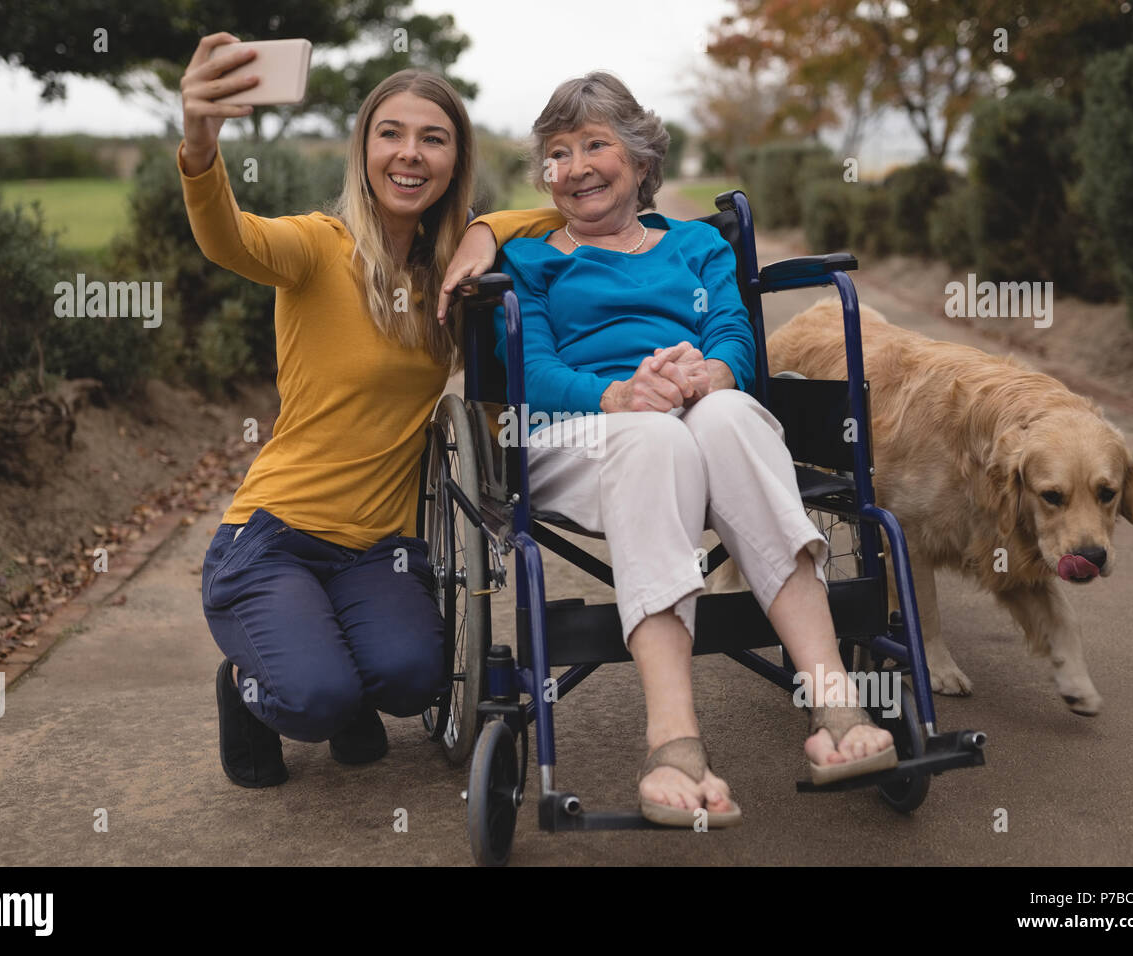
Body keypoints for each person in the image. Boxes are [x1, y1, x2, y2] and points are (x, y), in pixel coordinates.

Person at [439, 72, 896, 827]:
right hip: (578, 437)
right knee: (655, 437)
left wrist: (710, 373)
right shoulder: (528, 263)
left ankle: (836, 705)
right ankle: (673, 740)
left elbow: (731, 332)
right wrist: (617, 395)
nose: (577, 166)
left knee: (731, 417)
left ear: (643, 159)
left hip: (695, 419)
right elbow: (539, 372)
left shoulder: (694, 246)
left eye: (596, 144)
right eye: (559, 153)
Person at [179, 33, 557, 787]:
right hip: (276, 536)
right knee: (316, 701)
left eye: (433, 139)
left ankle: (333, 665)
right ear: (364, 149)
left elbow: (556, 219)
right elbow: (228, 238)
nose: (410, 154)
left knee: (415, 681)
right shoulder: (318, 248)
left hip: (377, 549)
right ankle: (251, 691)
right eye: (391, 133)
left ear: (455, 162)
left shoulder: (449, 278)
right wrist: (198, 137)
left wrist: (483, 229)